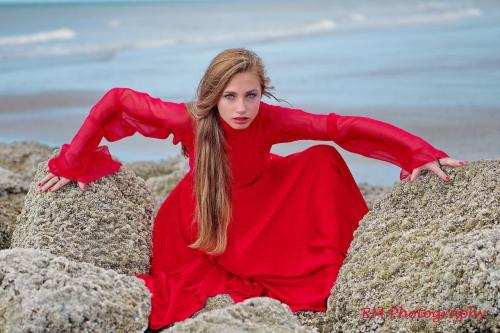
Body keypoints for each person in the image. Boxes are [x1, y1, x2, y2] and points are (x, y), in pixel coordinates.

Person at [37, 48, 466, 330]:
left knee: (321, 158)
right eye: (230, 97)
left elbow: (341, 127)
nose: (241, 108)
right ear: (212, 96)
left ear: (263, 94)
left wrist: (419, 153)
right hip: (205, 215)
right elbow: (115, 100)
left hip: (267, 200)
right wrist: (72, 162)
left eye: (251, 95)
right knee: (195, 282)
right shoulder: (187, 119)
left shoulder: (270, 121)